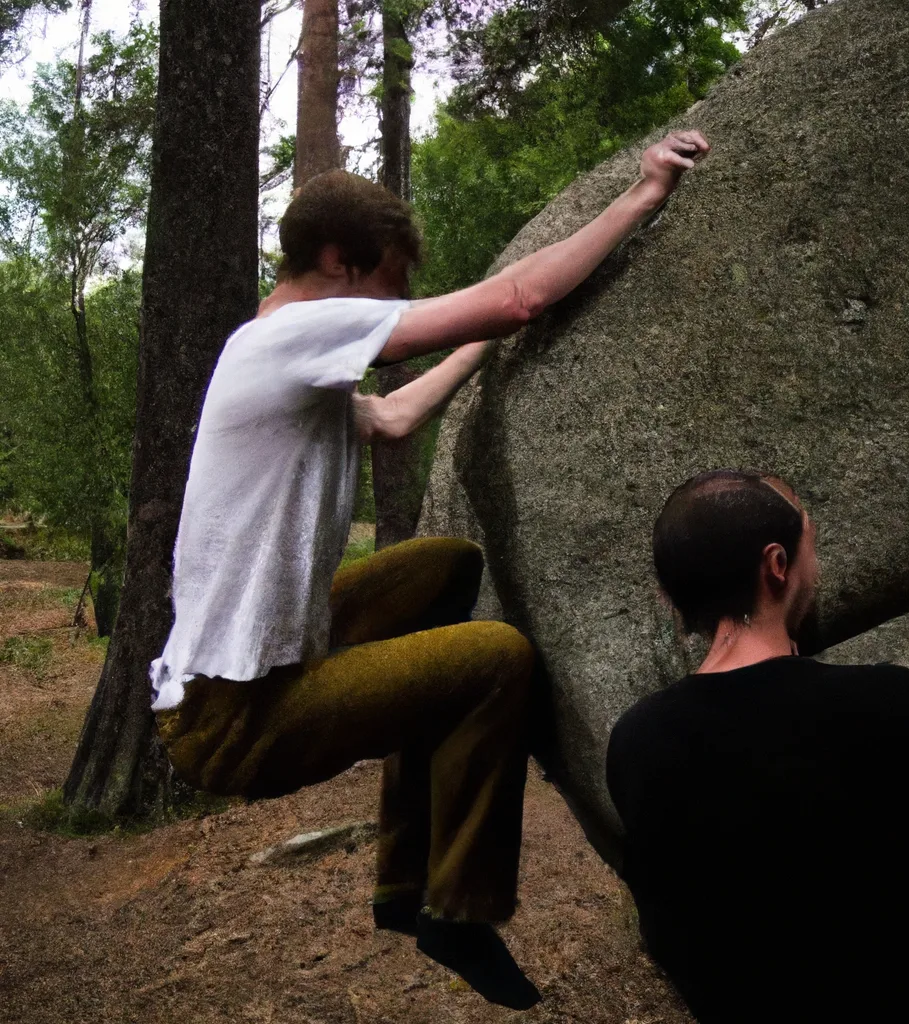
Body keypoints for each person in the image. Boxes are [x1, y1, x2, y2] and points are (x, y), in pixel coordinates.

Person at [149, 129, 711, 1009]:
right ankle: (458, 909)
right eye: (391, 282)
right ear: (338, 260)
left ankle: (403, 884)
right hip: (232, 714)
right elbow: (520, 295)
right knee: (496, 659)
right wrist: (639, 196)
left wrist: (484, 346)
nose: (400, 301)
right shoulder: (294, 334)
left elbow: (402, 415)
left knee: (447, 569)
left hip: (255, 668)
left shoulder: (292, 364)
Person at [606, 469, 909, 1024]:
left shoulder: (635, 742)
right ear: (777, 565)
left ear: (668, 596)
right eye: (811, 543)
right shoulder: (889, 703)